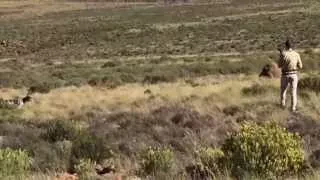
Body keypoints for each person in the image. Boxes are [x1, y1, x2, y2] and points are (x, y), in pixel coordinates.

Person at [278, 40, 303, 112]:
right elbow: (300, 66)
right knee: (293, 92)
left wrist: (281, 55)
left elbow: (279, 65)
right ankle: (293, 109)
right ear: (292, 46)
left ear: (286, 45)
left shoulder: (284, 54)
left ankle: (282, 106)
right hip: (294, 74)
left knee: (283, 91)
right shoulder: (296, 54)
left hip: (285, 75)